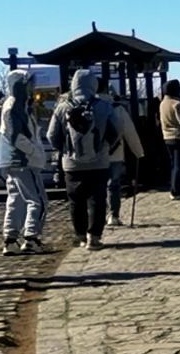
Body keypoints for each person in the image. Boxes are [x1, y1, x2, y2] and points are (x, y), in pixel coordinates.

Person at [48, 71, 127, 250]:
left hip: (71, 164)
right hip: (99, 162)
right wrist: (106, 147)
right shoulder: (104, 106)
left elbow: (52, 135)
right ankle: (94, 236)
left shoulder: (62, 107)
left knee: (76, 200)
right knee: (97, 199)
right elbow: (116, 131)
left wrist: (65, 151)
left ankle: (81, 235)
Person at [0, 70, 50, 256]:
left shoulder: (15, 105)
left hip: (13, 161)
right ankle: (31, 238)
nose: (32, 87)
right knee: (37, 201)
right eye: (29, 83)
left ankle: (10, 239)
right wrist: (33, 151)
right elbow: (16, 136)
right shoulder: (15, 107)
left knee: (16, 201)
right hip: (22, 160)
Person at [96, 85, 145, 228]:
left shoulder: (89, 107)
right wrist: (138, 151)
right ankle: (113, 215)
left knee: (97, 186)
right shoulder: (117, 108)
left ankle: (98, 216)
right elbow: (130, 132)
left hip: (94, 154)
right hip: (115, 152)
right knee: (113, 184)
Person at [160, 79, 180, 201]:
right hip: (178, 136)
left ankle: (174, 188)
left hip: (167, 136)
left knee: (174, 164)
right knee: (179, 165)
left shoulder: (162, 103)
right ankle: (177, 191)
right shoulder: (176, 103)